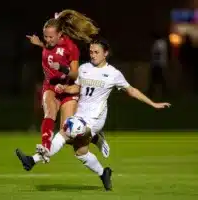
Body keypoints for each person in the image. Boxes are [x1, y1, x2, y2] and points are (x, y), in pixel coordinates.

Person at [16, 39, 171, 191]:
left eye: (96, 52)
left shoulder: (113, 74)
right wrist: (64, 88)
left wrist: (153, 103)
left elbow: (131, 91)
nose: (93, 55)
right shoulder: (84, 69)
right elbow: (77, 88)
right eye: (91, 52)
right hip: (81, 115)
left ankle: (32, 160)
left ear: (106, 53)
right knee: (80, 153)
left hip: (95, 119)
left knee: (66, 131)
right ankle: (104, 173)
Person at [26, 10, 99, 159]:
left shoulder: (71, 48)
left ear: (60, 34)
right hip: (51, 86)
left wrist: (61, 68)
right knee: (49, 112)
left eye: (50, 37)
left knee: (67, 134)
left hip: (68, 89)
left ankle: (94, 136)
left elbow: (74, 73)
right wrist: (39, 43)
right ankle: (45, 147)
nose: (47, 39)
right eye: (45, 36)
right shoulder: (48, 44)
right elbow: (49, 50)